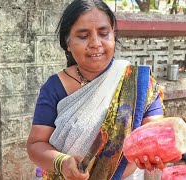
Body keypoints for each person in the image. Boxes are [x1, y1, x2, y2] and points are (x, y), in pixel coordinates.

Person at [26, 0, 167, 179]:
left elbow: (155, 133)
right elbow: (36, 145)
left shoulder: (137, 84)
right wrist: (62, 162)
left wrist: (156, 151)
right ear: (67, 43)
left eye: (103, 33)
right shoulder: (54, 87)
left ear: (113, 36)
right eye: (83, 36)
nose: (95, 43)